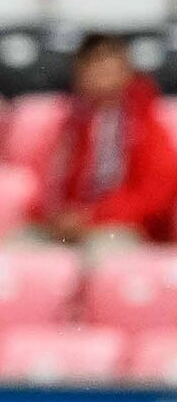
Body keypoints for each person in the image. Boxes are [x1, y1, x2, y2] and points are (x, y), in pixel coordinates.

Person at [31, 33, 177, 261]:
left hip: (123, 227)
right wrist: (56, 217)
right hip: (65, 227)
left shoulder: (147, 126)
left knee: (105, 253)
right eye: (92, 65)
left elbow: (155, 194)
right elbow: (47, 184)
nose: (100, 73)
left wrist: (94, 216)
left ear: (126, 72)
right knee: (16, 246)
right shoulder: (68, 126)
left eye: (107, 64)